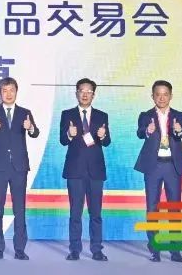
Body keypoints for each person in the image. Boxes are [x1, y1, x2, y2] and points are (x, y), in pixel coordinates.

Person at [0, 77, 39, 261]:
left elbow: (35, 133)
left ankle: (20, 249)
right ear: (0, 93)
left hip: (19, 167)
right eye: (4, 90)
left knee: (19, 209)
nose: (8, 93)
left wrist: (30, 128)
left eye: (11, 90)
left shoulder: (25, 113)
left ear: (16, 91)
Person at [135, 79, 182, 263]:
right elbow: (140, 133)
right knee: (152, 208)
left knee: (174, 208)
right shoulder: (145, 115)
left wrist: (179, 130)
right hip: (153, 166)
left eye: (165, 94)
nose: (162, 98)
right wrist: (148, 130)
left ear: (171, 96)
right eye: (158, 94)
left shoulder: (179, 115)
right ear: (152, 96)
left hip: (172, 166)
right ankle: (155, 249)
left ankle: (175, 250)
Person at [59, 77, 111, 261]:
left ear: (93, 95)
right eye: (82, 91)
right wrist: (69, 134)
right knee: (75, 213)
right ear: (76, 93)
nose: (85, 94)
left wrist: (103, 136)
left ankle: (97, 250)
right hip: (75, 171)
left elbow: (107, 142)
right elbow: (62, 140)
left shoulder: (102, 116)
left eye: (89, 91)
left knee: (96, 214)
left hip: (96, 171)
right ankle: (74, 249)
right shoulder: (67, 114)